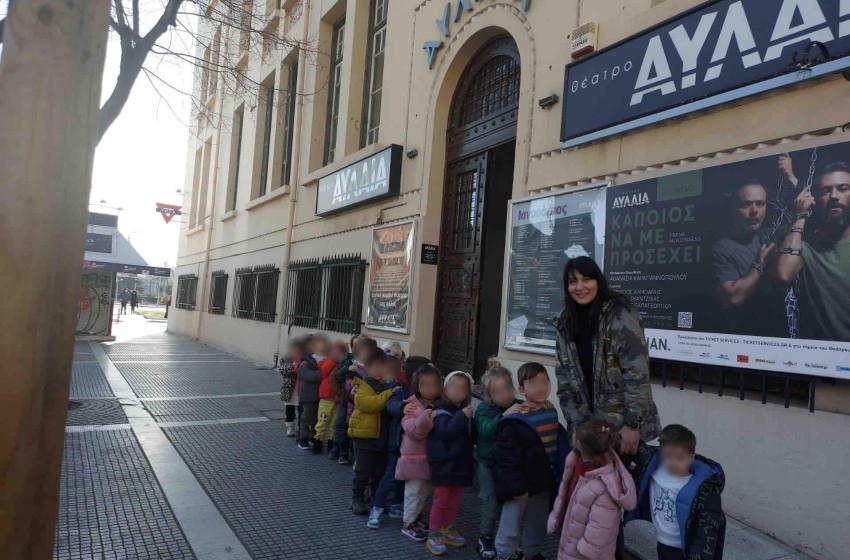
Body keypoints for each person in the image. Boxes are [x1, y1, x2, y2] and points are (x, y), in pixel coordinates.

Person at [554, 256, 661, 454]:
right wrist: (575, 424)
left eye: (586, 279)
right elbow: (564, 380)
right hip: (587, 430)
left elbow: (637, 376)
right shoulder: (565, 321)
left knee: (623, 484)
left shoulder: (620, 316)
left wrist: (633, 425)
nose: (580, 287)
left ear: (597, 281)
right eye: (573, 281)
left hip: (621, 429)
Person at [493, 363, 568, 560]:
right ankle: (504, 555)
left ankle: (531, 553)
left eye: (545, 382)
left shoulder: (551, 412)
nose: (541, 387)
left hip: (543, 481)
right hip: (521, 484)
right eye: (534, 383)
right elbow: (506, 459)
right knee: (510, 523)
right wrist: (516, 486)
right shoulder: (515, 420)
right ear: (522, 390)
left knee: (537, 522)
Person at [627, 425, 726, 560]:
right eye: (668, 456)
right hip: (662, 541)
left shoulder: (703, 489)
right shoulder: (653, 468)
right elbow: (632, 446)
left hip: (683, 548)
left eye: (680, 458)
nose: (673, 462)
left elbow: (704, 533)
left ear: (692, 458)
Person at [776, 160, 850, 341]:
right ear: (815, 201)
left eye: (843, 188)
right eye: (826, 191)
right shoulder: (807, 250)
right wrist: (800, 215)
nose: (834, 196)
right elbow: (783, 274)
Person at [548, 418, 637, 560]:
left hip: (586, 555)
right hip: (572, 540)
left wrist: (587, 551)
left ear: (578, 442)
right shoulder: (575, 462)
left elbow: (601, 526)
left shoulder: (604, 484)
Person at [712, 181, 785, 336]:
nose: (754, 211)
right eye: (746, 205)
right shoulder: (722, 248)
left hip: (779, 335)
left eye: (760, 204)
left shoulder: (770, 235)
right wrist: (760, 262)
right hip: (744, 337)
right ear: (733, 209)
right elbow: (733, 298)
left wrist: (791, 178)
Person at [474, 367, 523, 560]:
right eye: (497, 392)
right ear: (489, 394)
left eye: (506, 389)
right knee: (490, 502)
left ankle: (507, 541)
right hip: (488, 463)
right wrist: (503, 416)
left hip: (510, 465)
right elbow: (485, 431)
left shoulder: (519, 405)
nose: (504, 395)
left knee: (511, 504)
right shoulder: (485, 409)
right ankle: (485, 537)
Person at [426, 370, 475, 556]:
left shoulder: (462, 411)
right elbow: (447, 431)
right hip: (444, 465)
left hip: (460, 465)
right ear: (445, 389)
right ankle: (434, 534)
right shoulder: (440, 410)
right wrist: (463, 416)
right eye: (453, 387)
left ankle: (447, 529)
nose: (457, 391)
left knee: (454, 501)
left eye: (462, 388)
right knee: (440, 501)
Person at [348, 348, 399, 516]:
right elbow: (369, 404)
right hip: (364, 437)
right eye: (375, 366)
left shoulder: (387, 384)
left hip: (381, 436)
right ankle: (357, 499)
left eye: (382, 366)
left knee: (379, 471)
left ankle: (377, 499)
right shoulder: (362, 385)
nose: (380, 370)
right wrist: (388, 394)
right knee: (362, 471)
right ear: (368, 367)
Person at [396, 364, 443, 542]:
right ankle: (408, 523)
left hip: (429, 459)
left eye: (434, 384)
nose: (430, 388)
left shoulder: (439, 405)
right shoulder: (412, 406)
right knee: (413, 493)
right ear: (418, 386)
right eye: (426, 384)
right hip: (414, 459)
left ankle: (416, 519)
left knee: (423, 492)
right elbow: (413, 431)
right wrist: (427, 417)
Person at [368, 355, 409, 529]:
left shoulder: (405, 387)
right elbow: (391, 405)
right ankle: (376, 508)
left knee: (403, 477)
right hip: (393, 440)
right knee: (391, 475)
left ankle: (397, 505)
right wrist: (402, 407)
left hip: (405, 442)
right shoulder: (392, 388)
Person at [339, 336, 379, 465]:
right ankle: (348, 454)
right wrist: (351, 391)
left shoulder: (376, 368)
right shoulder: (353, 368)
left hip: (370, 410)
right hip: (354, 409)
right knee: (352, 433)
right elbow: (348, 386)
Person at [313, 339, 343, 455]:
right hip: (327, 396)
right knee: (323, 420)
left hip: (336, 397)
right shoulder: (329, 361)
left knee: (333, 423)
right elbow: (324, 370)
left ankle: (331, 443)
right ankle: (318, 440)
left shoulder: (338, 361)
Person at [296, 335, 321, 451]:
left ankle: (312, 437)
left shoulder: (319, 359)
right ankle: (302, 439)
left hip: (318, 394)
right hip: (308, 395)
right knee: (306, 418)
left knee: (316, 418)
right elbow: (307, 375)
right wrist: (321, 374)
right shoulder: (305, 361)